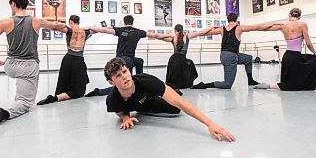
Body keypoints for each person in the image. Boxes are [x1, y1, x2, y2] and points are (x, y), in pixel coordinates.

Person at [104, 57, 236, 142]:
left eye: (125, 71)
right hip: (139, 107)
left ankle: (170, 90)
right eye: (118, 75)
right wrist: (125, 117)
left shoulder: (146, 81)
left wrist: (210, 124)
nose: (125, 77)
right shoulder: (112, 99)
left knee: (175, 108)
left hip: (150, 98)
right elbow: (118, 110)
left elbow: (181, 102)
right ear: (112, 82)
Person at [0, 0, 66, 126]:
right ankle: (4, 112)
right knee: (26, 102)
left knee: (22, 89)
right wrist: (74, 28)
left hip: (10, 65)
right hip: (28, 66)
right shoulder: (36, 21)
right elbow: (57, 26)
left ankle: (18, 98)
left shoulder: (5, 22)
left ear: (14, 4)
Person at [85, 15, 169, 96]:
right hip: (124, 59)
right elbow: (156, 35)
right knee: (126, 84)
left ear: (124, 22)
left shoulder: (120, 30)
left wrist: (88, 27)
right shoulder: (137, 31)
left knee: (139, 61)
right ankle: (99, 91)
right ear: (132, 22)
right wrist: (170, 35)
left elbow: (102, 30)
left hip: (123, 58)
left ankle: (139, 82)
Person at [191, 13, 275, 89]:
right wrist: (272, 24)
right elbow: (257, 27)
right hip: (230, 57)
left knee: (248, 59)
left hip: (226, 55)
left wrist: (211, 27)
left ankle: (250, 80)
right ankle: (203, 85)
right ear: (236, 19)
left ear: (228, 19)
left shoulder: (222, 29)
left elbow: (205, 33)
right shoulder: (239, 28)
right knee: (227, 84)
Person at [254, 8, 316, 91]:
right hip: (296, 56)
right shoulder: (302, 25)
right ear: (299, 16)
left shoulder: (283, 26)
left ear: (289, 15)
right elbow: (308, 43)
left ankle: (268, 85)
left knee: (289, 83)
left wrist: (274, 23)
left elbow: (263, 28)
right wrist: (315, 53)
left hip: (287, 57)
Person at [36, 15, 94, 105]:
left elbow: (54, 27)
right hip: (79, 60)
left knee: (63, 82)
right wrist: (89, 27)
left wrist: (61, 25)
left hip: (68, 59)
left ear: (71, 22)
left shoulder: (69, 30)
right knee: (79, 91)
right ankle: (58, 97)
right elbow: (98, 30)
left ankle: (56, 97)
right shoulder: (85, 32)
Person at [160, 24, 213, 89]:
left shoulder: (173, 39)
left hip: (173, 60)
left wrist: (168, 35)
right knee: (190, 64)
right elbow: (201, 32)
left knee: (176, 70)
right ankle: (184, 83)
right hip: (182, 60)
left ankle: (175, 84)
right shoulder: (187, 37)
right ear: (182, 30)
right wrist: (211, 27)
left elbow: (159, 36)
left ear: (175, 30)